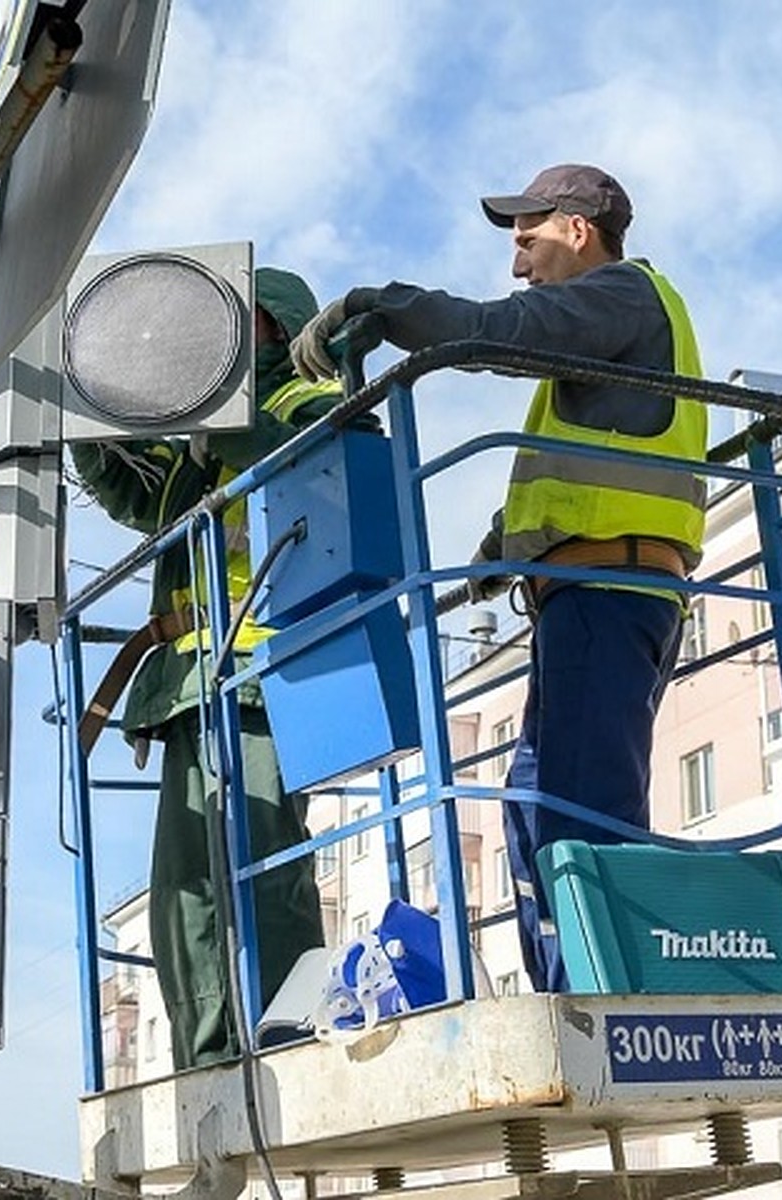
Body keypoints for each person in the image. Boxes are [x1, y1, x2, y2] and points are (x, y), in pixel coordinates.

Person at [290, 164, 707, 993]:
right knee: (532, 803)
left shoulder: (622, 294)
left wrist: (393, 306)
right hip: (588, 593)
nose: (519, 261)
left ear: (578, 228)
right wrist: (497, 552)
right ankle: (563, 988)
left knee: (582, 810)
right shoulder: (610, 327)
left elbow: (503, 330)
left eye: (529, 237)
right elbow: (588, 467)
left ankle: (608, 995)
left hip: (609, 591)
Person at [71, 267, 353, 1068]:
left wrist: (214, 425)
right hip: (191, 690)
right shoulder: (199, 443)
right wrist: (94, 428)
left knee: (267, 873)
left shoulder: (302, 399)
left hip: (268, 676)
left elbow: (313, 451)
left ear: (268, 326)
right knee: (185, 896)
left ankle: (285, 1034)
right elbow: (136, 493)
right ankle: (208, 1052)